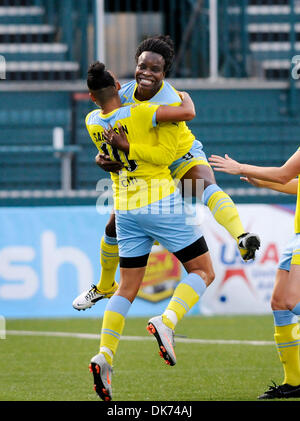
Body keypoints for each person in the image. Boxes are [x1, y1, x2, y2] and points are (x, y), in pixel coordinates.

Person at [72, 35, 260, 311]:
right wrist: (101, 157)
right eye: (142, 66)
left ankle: (241, 237)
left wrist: (187, 101)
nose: (146, 73)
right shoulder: (122, 93)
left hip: (178, 156)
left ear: (165, 73)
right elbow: (105, 126)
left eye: (154, 69)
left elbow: (189, 113)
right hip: (147, 165)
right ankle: (103, 286)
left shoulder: (172, 98)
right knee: (112, 227)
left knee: (204, 187)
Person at [86, 62, 215, 401]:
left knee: (126, 289)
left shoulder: (92, 121)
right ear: (117, 84)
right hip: (159, 202)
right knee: (203, 271)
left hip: (125, 209)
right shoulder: (142, 113)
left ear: (90, 97)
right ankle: (167, 320)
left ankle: (105, 355)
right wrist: (184, 95)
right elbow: (185, 111)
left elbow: (105, 153)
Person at [208, 151, 300, 399]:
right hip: (296, 237)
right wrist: (262, 180)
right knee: (280, 304)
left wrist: (242, 167)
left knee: (292, 301)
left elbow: (283, 174)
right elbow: (294, 184)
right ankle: (295, 382)